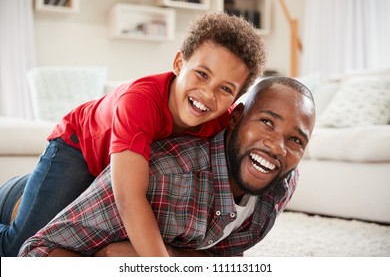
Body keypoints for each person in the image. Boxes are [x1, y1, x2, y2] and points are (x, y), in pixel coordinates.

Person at [0, 12, 267, 257]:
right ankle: (17, 193)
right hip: (79, 149)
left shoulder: (223, 120)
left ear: (237, 97)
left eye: (225, 89)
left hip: (120, 172)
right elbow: (129, 199)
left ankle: (29, 190)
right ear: (178, 63)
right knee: (18, 250)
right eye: (201, 74)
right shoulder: (138, 102)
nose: (208, 94)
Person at [18, 77, 316, 257]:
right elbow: (35, 253)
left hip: (104, 176)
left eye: (295, 140)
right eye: (266, 122)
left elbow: (225, 259)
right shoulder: (163, 174)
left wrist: (171, 255)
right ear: (235, 117)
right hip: (72, 151)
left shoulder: (282, 182)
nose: (277, 147)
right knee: (13, 245)